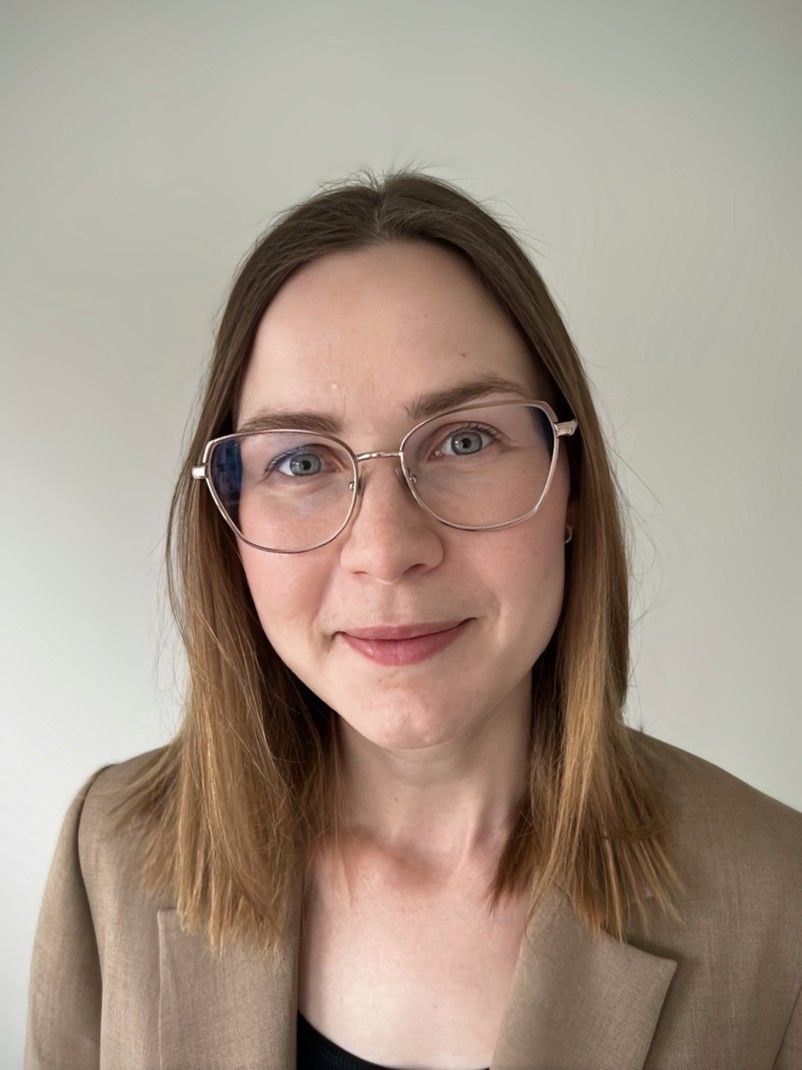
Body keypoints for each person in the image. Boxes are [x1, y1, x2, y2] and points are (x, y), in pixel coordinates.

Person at [24, 168, 802, 1070]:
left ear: (573, 485)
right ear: (226, 519)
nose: (386, 550)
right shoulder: (107, 854)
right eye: (301, 462)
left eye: (465, 441)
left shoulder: (781, 908)